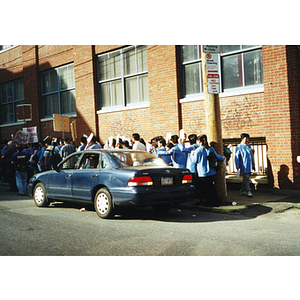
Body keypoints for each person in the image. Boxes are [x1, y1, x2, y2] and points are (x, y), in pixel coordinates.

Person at [191, 134, 225, 207]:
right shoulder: (210, 148)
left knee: (205, 189)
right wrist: (223, 158)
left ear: (199, 141)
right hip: (211, 171)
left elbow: (194, 161)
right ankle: (215, 201)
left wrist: (192, 154)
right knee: (211, 187)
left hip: (202, 172)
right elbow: (217, 156)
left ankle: (207, 202)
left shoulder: (198, 150)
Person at [235, 133, 255, 197]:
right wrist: (237, 165)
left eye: (247, 139)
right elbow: (237, 156)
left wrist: (253, 165)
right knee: (246, 178)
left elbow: (250, 155)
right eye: (245, 139)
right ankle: (248, 191)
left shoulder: (248, 146)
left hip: (249, 165)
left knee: (246, 178)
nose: (246, 140)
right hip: (244, 165)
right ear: (242, 139)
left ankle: (243, 190)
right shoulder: (239, 147)